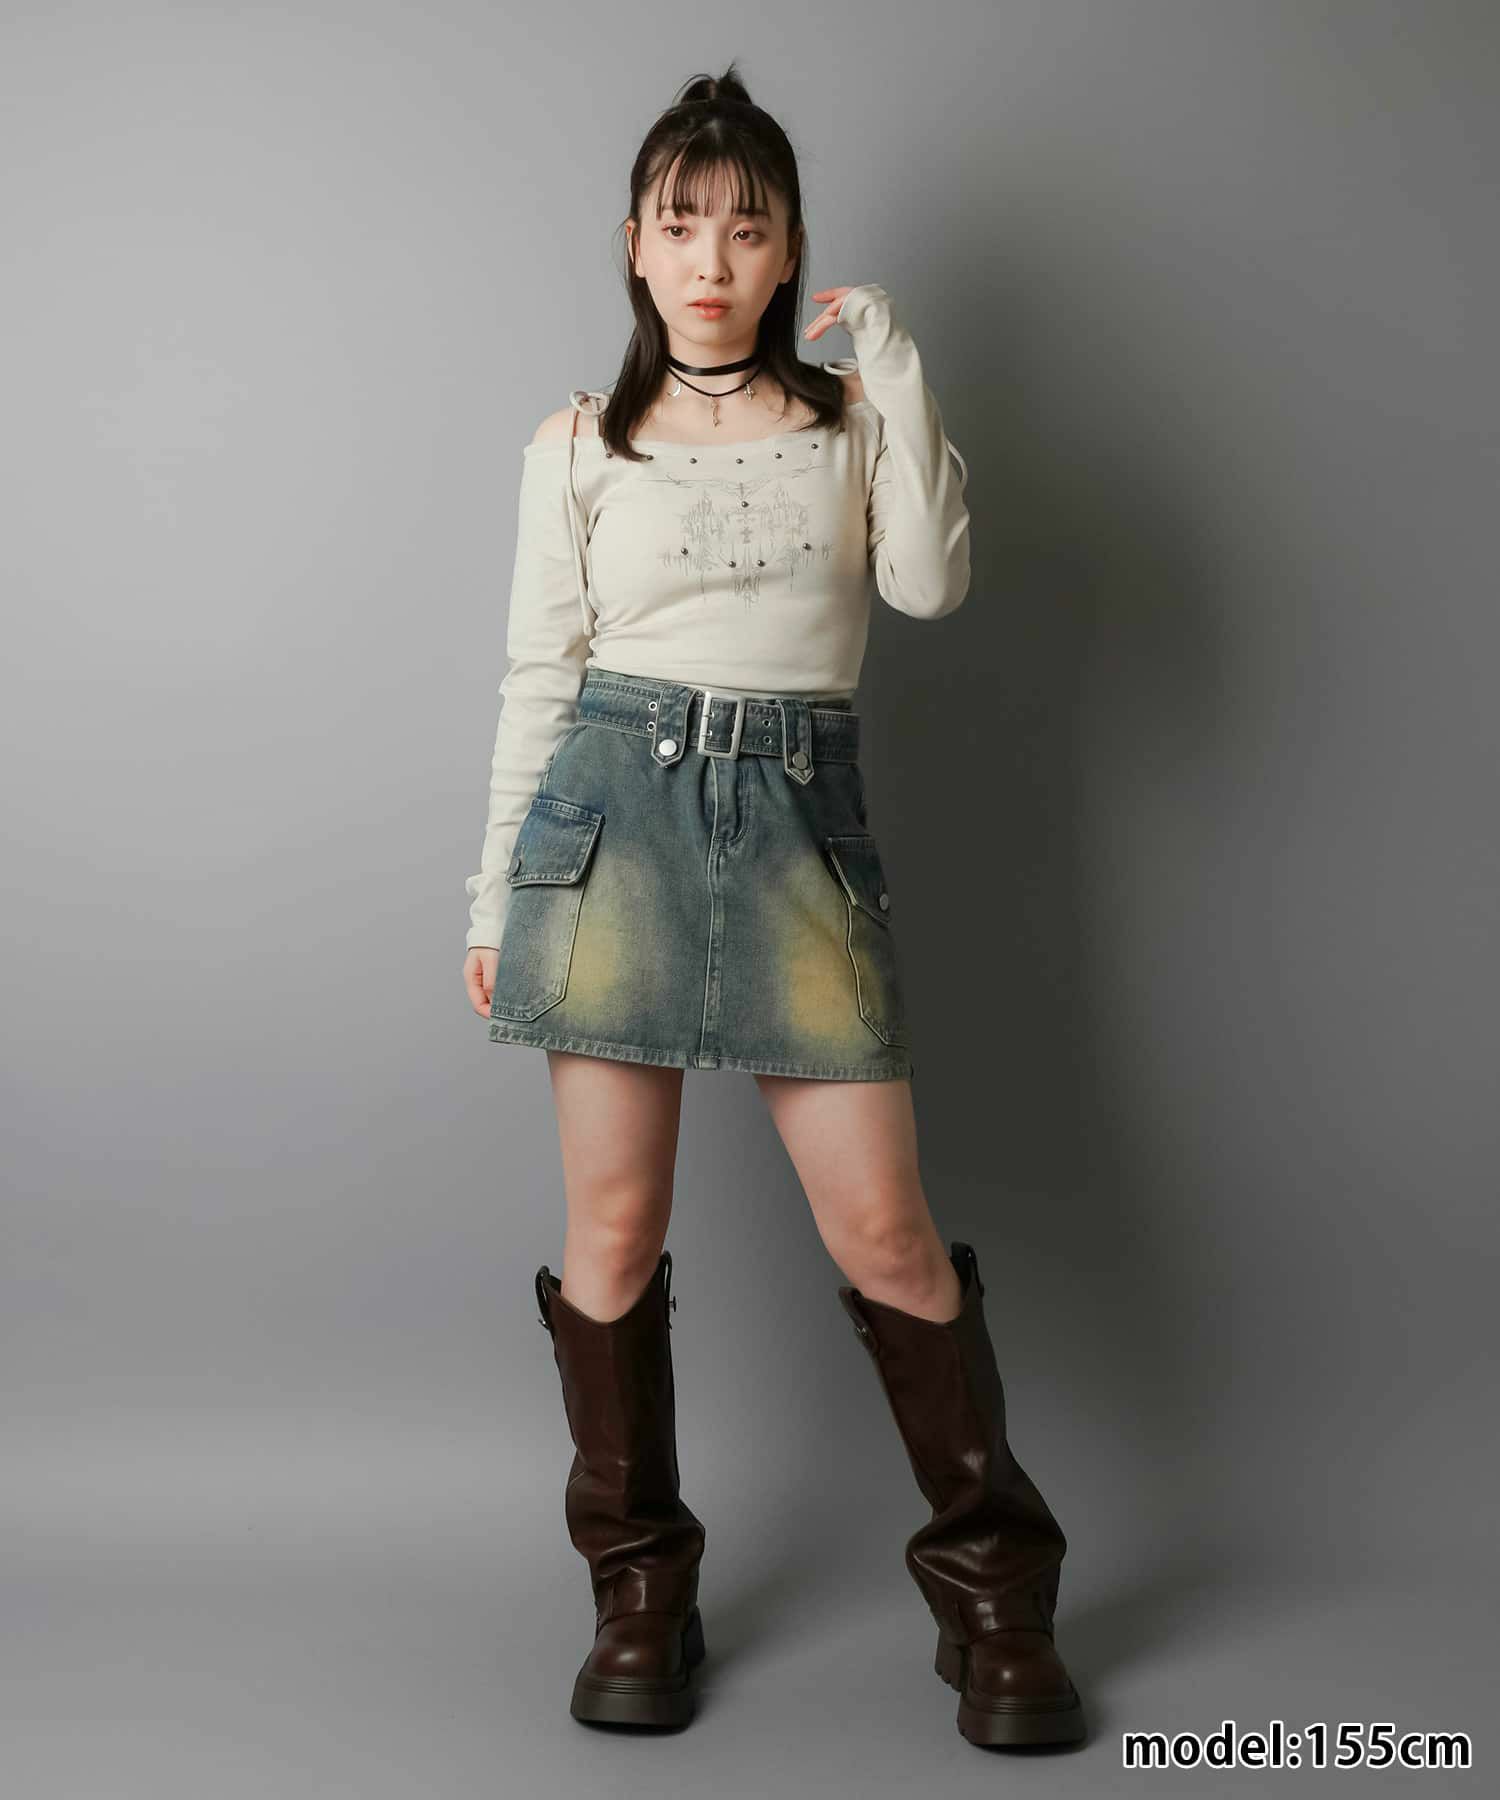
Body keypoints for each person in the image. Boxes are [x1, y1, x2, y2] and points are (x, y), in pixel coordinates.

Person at [460, 63, 1085, 1749]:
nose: (712, 259)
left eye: (747, 227)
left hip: (804, 823)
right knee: (610, 1231)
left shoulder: (854, 422)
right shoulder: (576, 446)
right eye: (682, 226)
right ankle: (639, 1594)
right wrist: (494, 899)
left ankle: (997, 1598)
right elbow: (538, 683)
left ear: (791, 246)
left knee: (885, 1228)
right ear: (635, 247)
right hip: (615, 820)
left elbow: (931, 582)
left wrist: (898, 372)